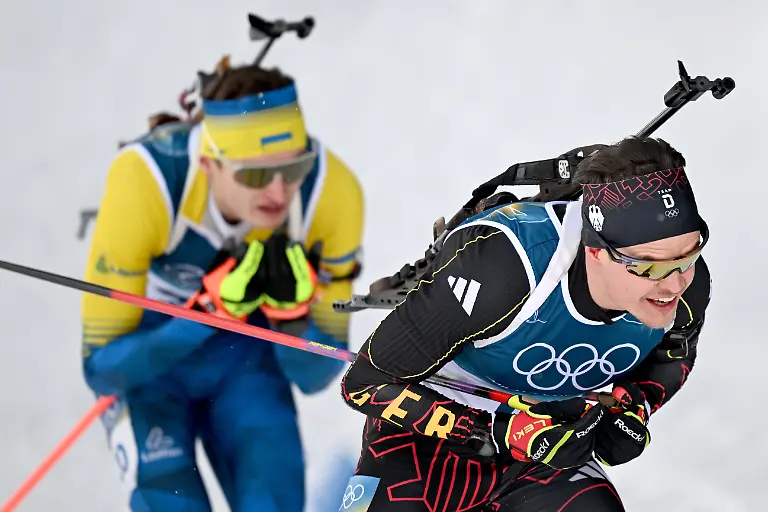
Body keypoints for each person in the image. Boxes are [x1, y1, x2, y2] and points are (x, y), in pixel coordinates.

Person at [339, 136, 710, 511]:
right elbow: (364, 383)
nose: (676, 283)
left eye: (690, 254)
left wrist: (632, 405)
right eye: (649, 266)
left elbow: (672, 358)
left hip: (546, 452)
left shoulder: (687, 286)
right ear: (596, 250)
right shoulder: (504, 270)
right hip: (425, 439)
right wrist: (495, 431)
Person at [80, 56, 364, 511]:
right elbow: (103, 368)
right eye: (254, 174)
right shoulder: (147, 183)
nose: (277, 192)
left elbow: (318, 374)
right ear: (209, 164)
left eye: (293, 168)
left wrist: (290, 319)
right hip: (150, 371)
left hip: (243, 362)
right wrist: (205, 315)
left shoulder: (331, 194)